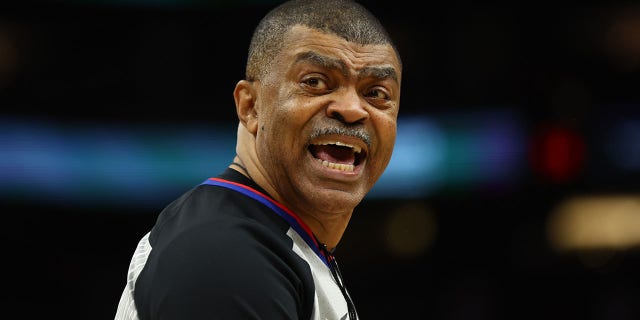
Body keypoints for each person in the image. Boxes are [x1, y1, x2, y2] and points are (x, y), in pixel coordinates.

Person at [114, 0, 402, 319]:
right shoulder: (224, 254)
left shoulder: (271, 240)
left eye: (376, 93)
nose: (352, 108)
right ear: (250, 107)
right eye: (315, 82)